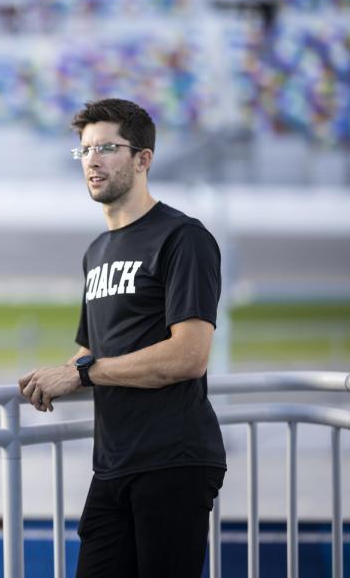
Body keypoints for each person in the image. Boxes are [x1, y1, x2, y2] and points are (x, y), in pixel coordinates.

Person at [18, 98, 226, 577]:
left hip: (174, 461)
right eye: (85, 150)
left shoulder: (182, 238)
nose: (92, 160)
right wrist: (54, 377)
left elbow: (189, 355)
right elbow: (93, 349)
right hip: (113, 463)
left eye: (107, 147)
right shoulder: (97, 251)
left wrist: (82, 374)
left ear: (143, 159)